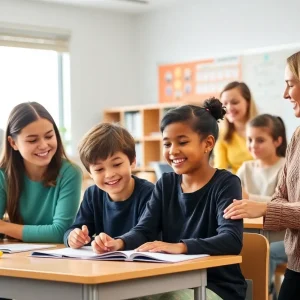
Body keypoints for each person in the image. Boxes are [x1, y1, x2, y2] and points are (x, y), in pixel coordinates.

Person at [91, 98, 247, 300]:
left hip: (218, 287)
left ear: (208, 143)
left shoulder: (226, 183)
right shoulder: (166, 183)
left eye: (182, 142)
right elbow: (144, 230)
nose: (173, 151)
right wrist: (118, 243)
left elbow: (231, 240)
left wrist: (180, 247)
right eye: (167, 144)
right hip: (172, 279)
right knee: (122, 293)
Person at [224, 51, 300, 300]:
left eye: (290, 84)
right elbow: (280, 198)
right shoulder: (297, 136)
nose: (285, 94)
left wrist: (264, 208)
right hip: (296, 262)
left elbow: (275, 205)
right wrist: (273, 207)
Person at [0, 102, 82, 243]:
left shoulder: (70, 173)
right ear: (13, 143)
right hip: (18, 256)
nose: (44, 145)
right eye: (33, 140)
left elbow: (60, 232)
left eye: (49, 136)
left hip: (59, 258)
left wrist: (4, 226)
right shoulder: (3, 175)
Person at [64, 123, 154, 248]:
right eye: (99, 169)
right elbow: (77, 227)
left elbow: (145, 233)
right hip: (106, 264)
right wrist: (72, 237)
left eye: (116, 164)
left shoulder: (150, 194)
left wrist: (118, 243)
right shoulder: (92, 195)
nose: (109, 174)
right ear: (90, 173)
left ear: (133, 161)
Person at [236, 114, 287, 298]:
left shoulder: (285, 168)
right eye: (249, 139)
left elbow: (284, 204)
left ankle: (263, 293)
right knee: (242, 247)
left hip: (283, 238)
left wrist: (250, 198)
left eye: (260, 140)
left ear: (277, 141)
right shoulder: (245, 168)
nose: (253, 145)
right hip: (252, 232)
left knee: (265, 251)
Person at [214, 81, 258, 173]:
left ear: (248, 102)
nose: (229, 108)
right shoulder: (223, 136)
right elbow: (219, 170)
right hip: (238, 185)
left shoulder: (265, 129)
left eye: (235, 102)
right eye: (225, 104)